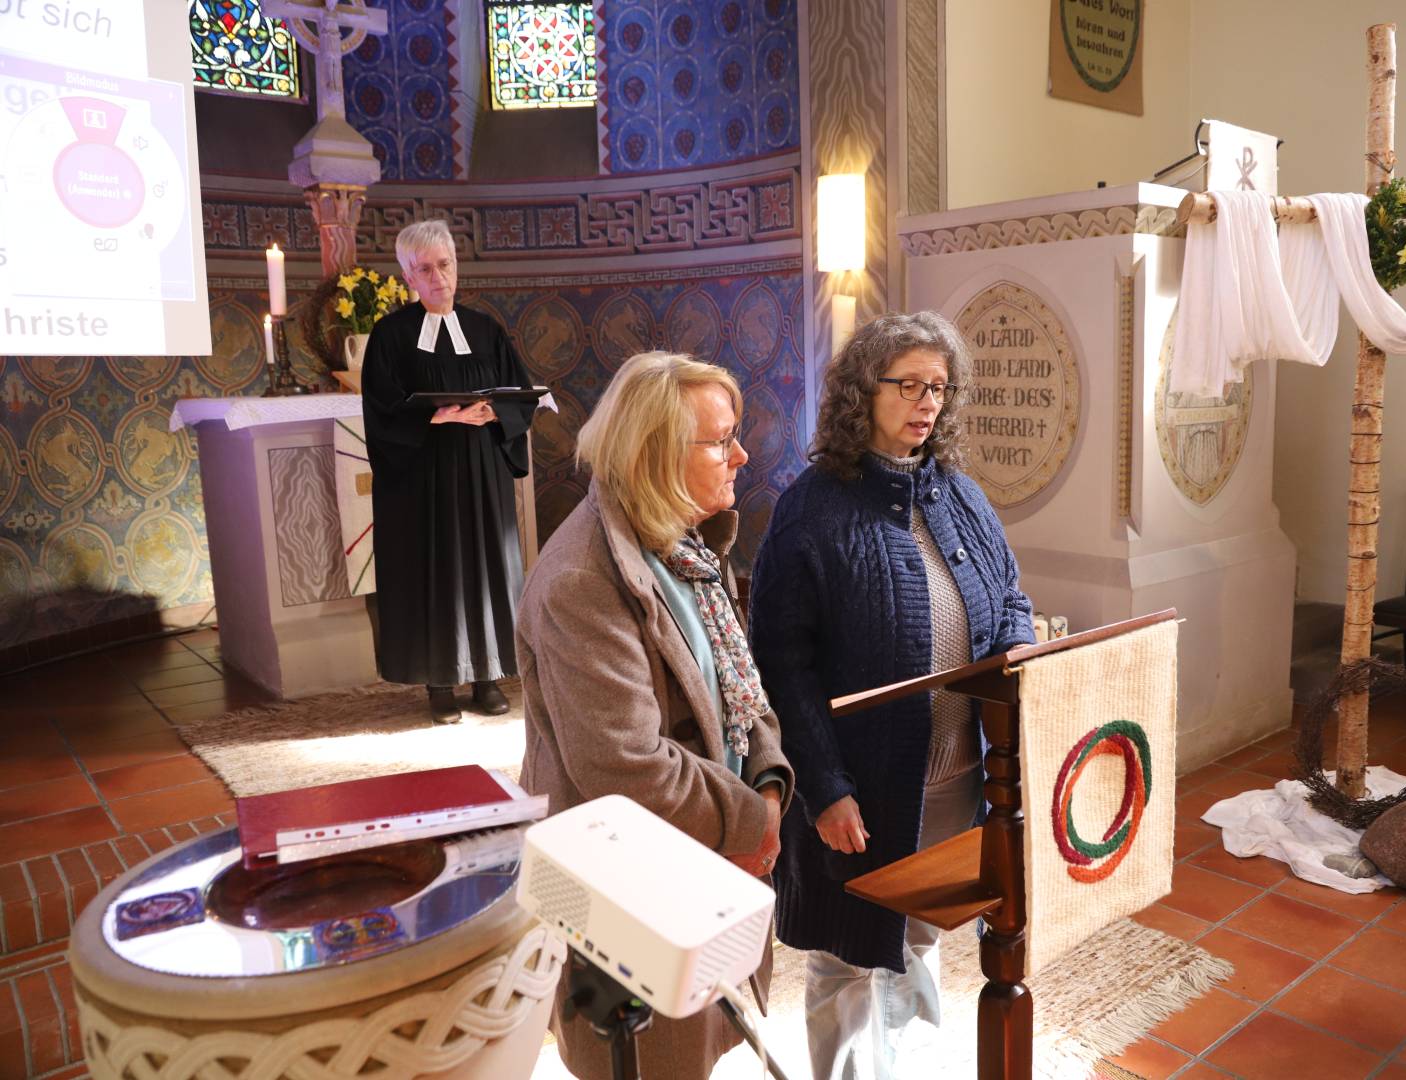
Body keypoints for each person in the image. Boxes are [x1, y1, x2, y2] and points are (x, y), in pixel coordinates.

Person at [749, 311, 1034, 1079]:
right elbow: (782, 665)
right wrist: (827, 789)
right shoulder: (811, 509)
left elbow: (1009, 593)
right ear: (859, 393)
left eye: (938, 388)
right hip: (858, 791)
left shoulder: (960, 494)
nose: (926, 402)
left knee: (920, 939)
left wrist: (1019, 645)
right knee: (847, 953)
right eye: (907, 384)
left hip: (953, 778)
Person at [517, 351, 794, 1080]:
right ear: (656, 455)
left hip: (695, 856)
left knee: (694, 1041)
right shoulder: (582, 577)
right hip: (624, 881)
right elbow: (622, 764)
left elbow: (741, 686)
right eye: (719, 439)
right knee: (645, 1058)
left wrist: (765, 778)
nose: (741, 454)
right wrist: (749, 819)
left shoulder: (681, 538)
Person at [361, 220, 538, 723]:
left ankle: (487, 677)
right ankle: (438, 683)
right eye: (424, 269)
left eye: (445, 264)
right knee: (432, 568)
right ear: (407, 277)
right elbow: (381, 408)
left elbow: (519, 394)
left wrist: (494, 414)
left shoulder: (486, 330)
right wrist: (433, 415)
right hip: (423, 476)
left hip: (482, 473)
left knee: (484, 568)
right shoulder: (391, 336)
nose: (438, 277)